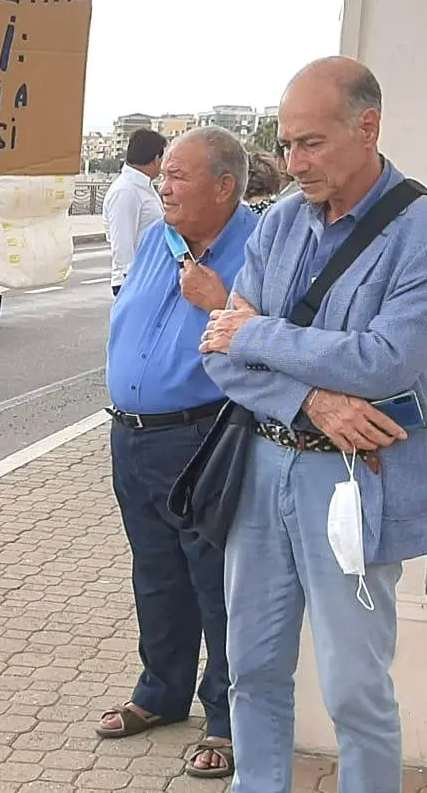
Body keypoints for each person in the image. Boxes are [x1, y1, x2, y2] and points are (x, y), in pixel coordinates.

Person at [199, 56, 427, 793]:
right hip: (264, 465)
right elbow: (218, 357)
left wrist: (255, 335)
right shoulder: (281, 219)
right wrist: (311, 400)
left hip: (358, 478)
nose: (294, 163)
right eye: (287, 144)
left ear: (369, 127)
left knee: (356, 686)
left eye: (312, 143)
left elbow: (382, 360)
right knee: (250, 665)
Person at [100, 126, 258, 779]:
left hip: (202, 434)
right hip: (131, 433)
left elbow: (283, 337)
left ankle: (225, 717)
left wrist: (220, 298)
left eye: (180, 176)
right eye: (164, 174)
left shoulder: (259, 245)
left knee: (215, 581)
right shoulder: (153, 241)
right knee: (155, 572)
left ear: (224, 185)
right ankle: (160, 691)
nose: (163, 185)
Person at [103, 128, 167, 295]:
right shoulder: (126, 191)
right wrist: (132, 286)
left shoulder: (145, 187)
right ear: (155, 159)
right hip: (134, 282)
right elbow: (122, 245)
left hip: (149, 277)